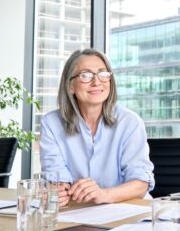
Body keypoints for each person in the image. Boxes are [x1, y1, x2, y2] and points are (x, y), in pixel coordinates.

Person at [40, 48, 154, 206]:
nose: (96, 82)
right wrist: (58, 191)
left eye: (103, 74)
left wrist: (103, 194)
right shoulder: (51, 123)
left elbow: (140, 184)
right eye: (85, 75)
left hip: (130, 212)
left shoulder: (130, 122)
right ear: (70, 85)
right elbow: (56, 175)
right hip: (79, 212)